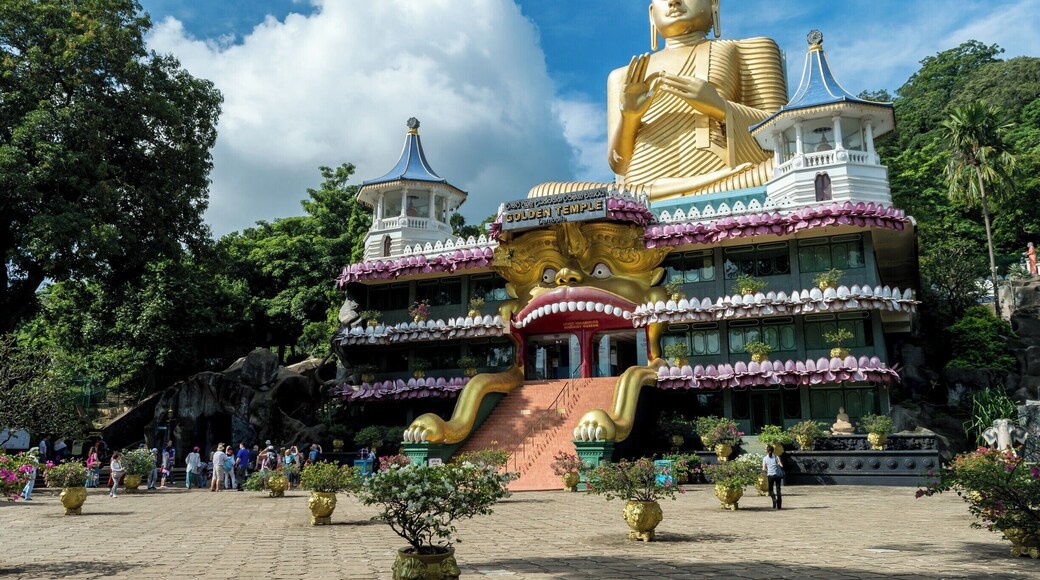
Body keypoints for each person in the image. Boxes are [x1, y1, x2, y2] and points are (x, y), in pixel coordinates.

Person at [529, 0, 786, 201]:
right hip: (640, 191)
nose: (674, 1)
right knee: (542, 194)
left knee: (783, 168)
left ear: (713, 4)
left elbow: (779, 141)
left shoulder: (748, 50)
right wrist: (630, 118)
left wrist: (719, 107)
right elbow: (619, 164)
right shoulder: (623, 75)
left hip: (721, 180)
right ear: (652, 14)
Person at [763, 445, 783, 509]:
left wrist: (767, 468)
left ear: (767, 451)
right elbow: (781, 465)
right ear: (773, 450)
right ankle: (779, 505)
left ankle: (774, 500)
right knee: (778, 490)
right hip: (777, 475)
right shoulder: (776, 457)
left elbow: (764, 468)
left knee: (771, 490)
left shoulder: (765, 458)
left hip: (770, 476)